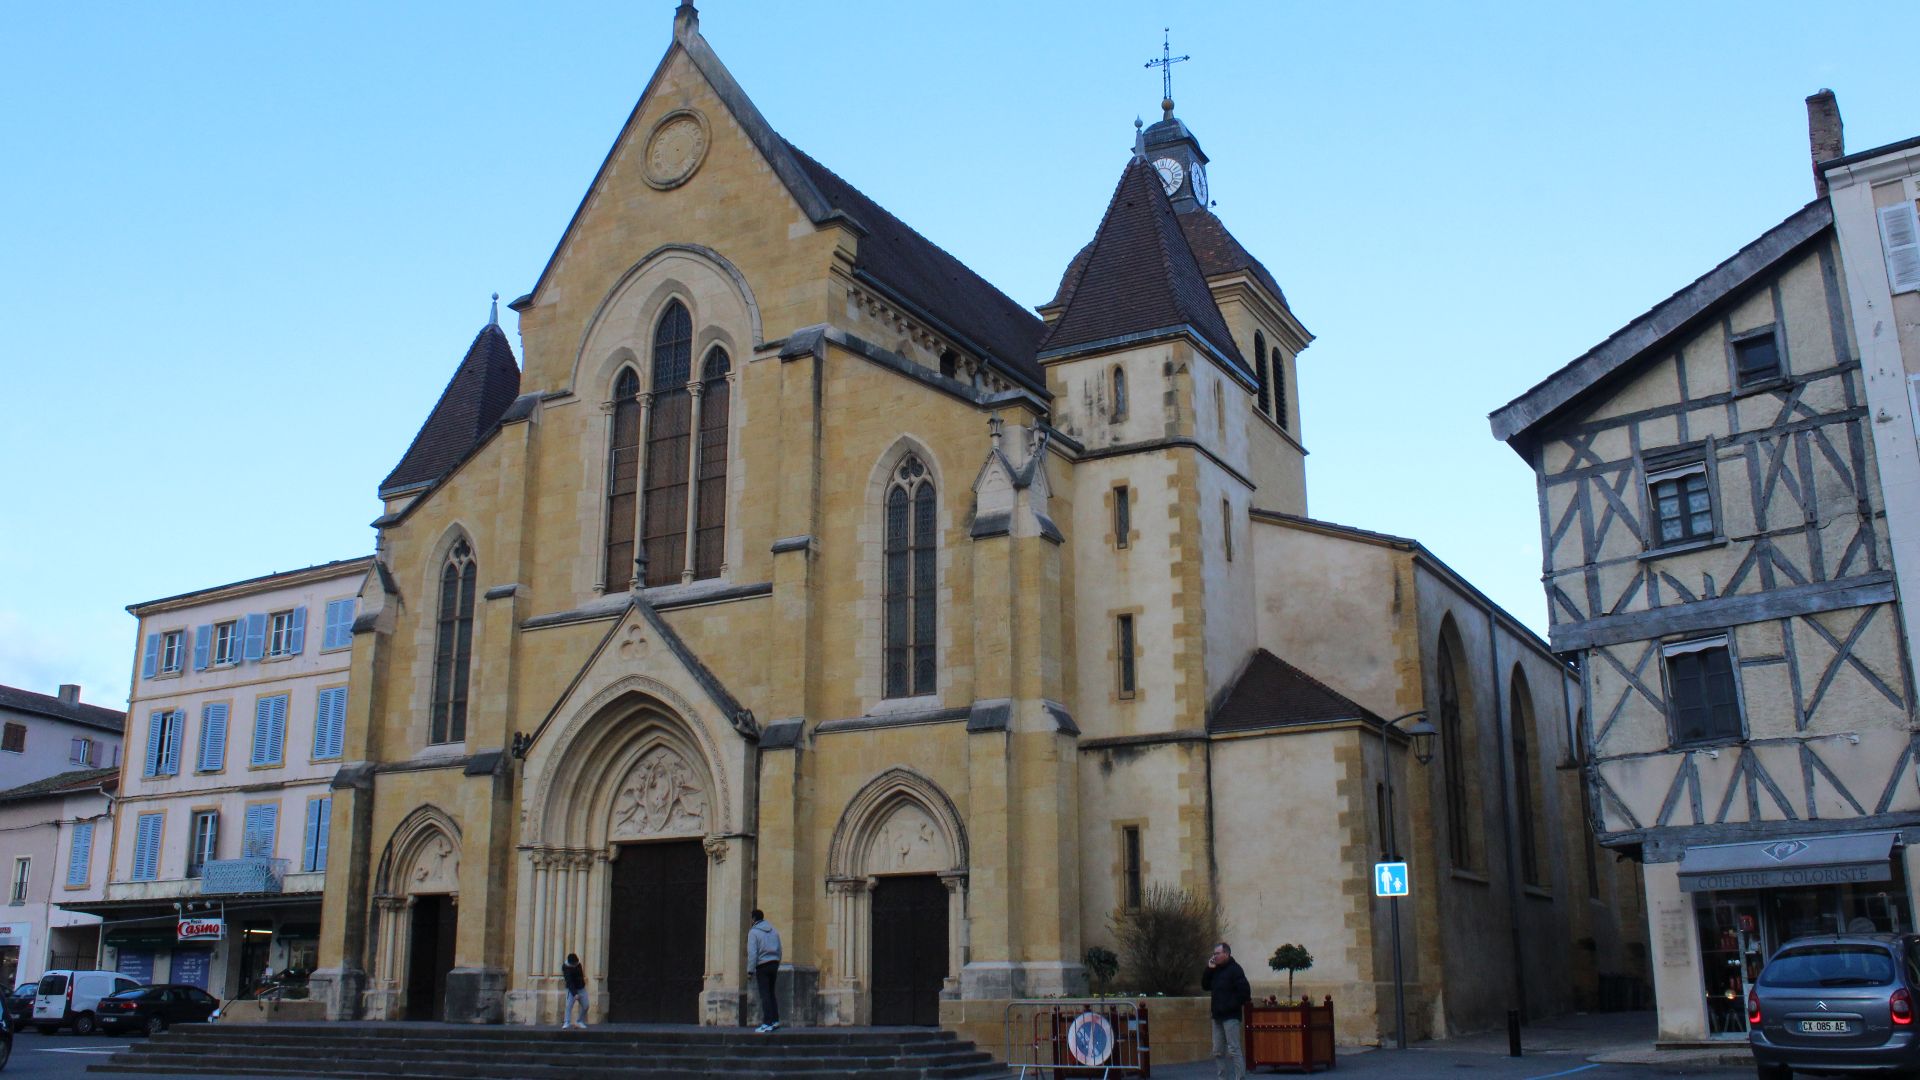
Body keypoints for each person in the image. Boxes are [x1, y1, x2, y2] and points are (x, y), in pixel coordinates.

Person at [1201, 941, 1250, 1080]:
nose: (1214, 956)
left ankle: (1240, 1077)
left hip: (1231, 1016)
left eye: (1217, 953)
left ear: (1226, 954)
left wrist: (1230, 1005)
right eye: (1214, 954)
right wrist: (1209, 969)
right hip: (1217, 1017)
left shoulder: (1235, 970)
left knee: (1234, 1049)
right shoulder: (1215, 970)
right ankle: (1222, 1078)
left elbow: (1245, 993)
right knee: (1217, 1051)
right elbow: (1205, 985)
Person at [748, 909, 783, 1033]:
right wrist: (777, 962)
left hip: (762, 965)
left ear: (753, 919)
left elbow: (752, 953)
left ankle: (767, 1022)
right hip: (774, 964)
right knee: (771, 993)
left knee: (765, 994)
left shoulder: (754, 932)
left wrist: (750, 971)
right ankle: (775, 1020)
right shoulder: (773, 931)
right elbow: (780, 948)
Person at [560, 953, 588, 1029]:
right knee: (569, 1006)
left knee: (586, 1006)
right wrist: (575, 993)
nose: (575, 964)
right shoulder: (566, 967)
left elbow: (580, 977)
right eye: (574, 964)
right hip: (571, 989)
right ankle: (566, 1022)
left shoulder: (578, 965)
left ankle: (579, 1021)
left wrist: (581, 987)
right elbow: (569, 981)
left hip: (581, 988)